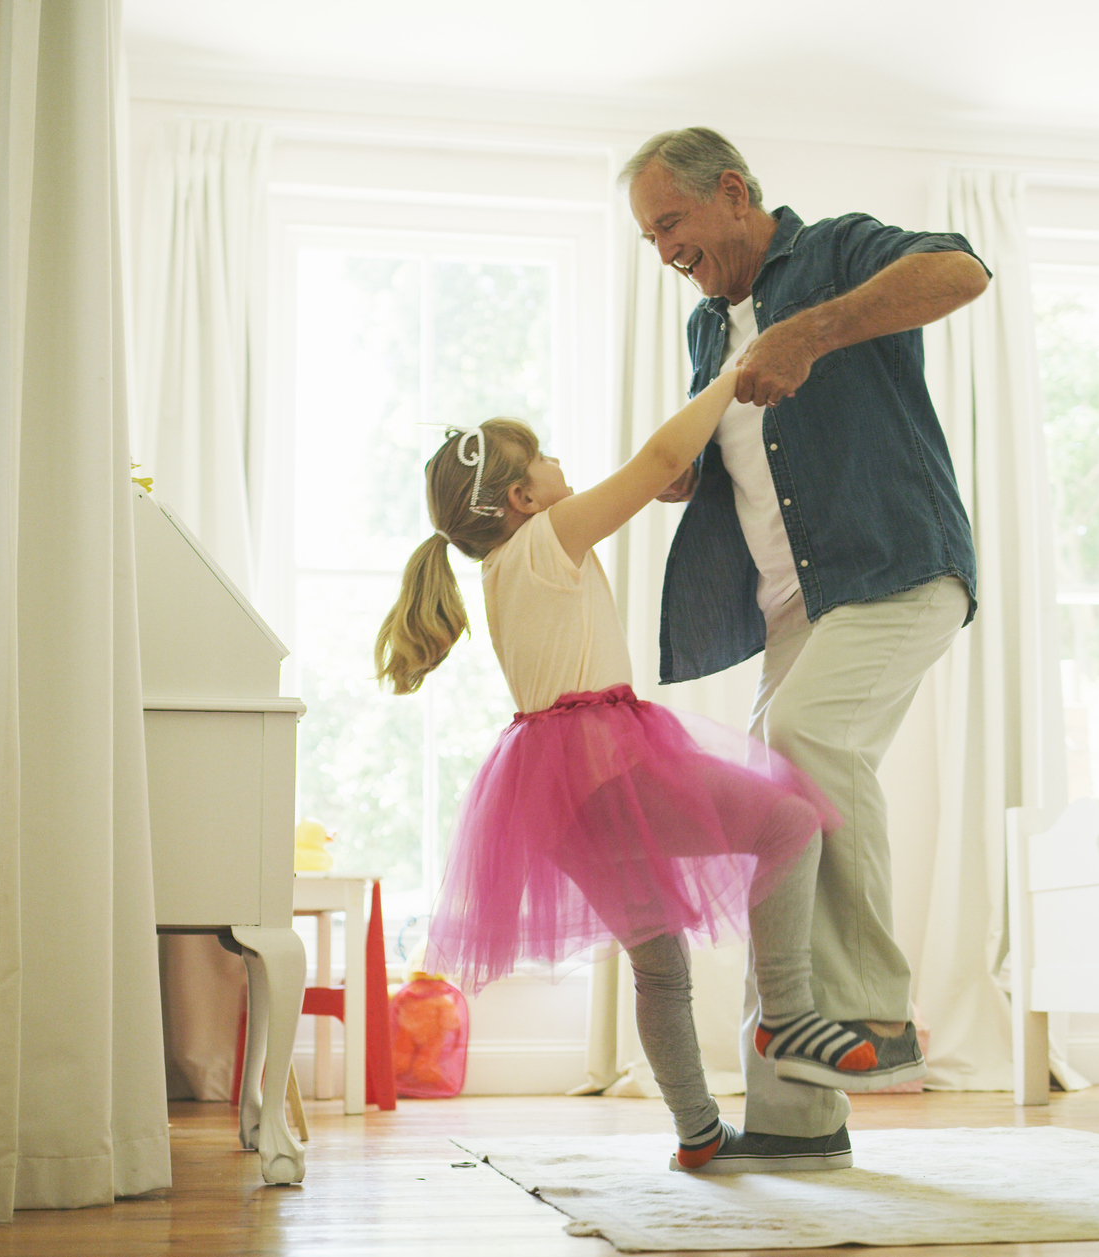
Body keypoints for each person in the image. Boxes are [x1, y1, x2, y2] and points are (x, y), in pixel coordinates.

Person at [375, 382, 910, 1173]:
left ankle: (698, 1134)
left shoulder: (500, 567)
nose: (561, 462)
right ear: (523, 496)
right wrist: (731, 379)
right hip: (604, 760)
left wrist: (669, 479)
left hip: (555, 797)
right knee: (790, 819)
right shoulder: (550, 533)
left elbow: (656, 475)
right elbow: (658, 457)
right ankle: (789, 1015)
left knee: (660, 968)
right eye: (546, 456)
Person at [621, 127, 992, 1172]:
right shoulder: (705, 329)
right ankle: (793, 1121)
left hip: (893, 569)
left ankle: (873, 1014)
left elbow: (959, 268)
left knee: (805, 738)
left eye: (670, 226)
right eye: (648, 236)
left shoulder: (831, 252)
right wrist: (685, 476)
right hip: (790, 610)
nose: (661, 251)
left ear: (731, 193)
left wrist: (812, 332)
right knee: (769, 822)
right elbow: (749, 457)